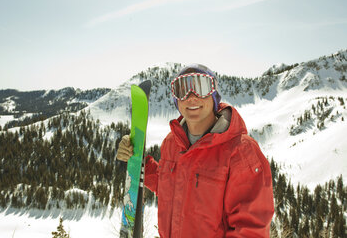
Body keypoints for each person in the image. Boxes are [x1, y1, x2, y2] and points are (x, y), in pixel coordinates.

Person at [116, 64, 274, 238]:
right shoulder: (172, 143)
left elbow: (250, 230)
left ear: (214, 95)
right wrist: (138, 159)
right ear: (176, 99)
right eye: (182, 90)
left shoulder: (241, 152)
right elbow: (170, 186)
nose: (191, 97)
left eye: (201, 87)